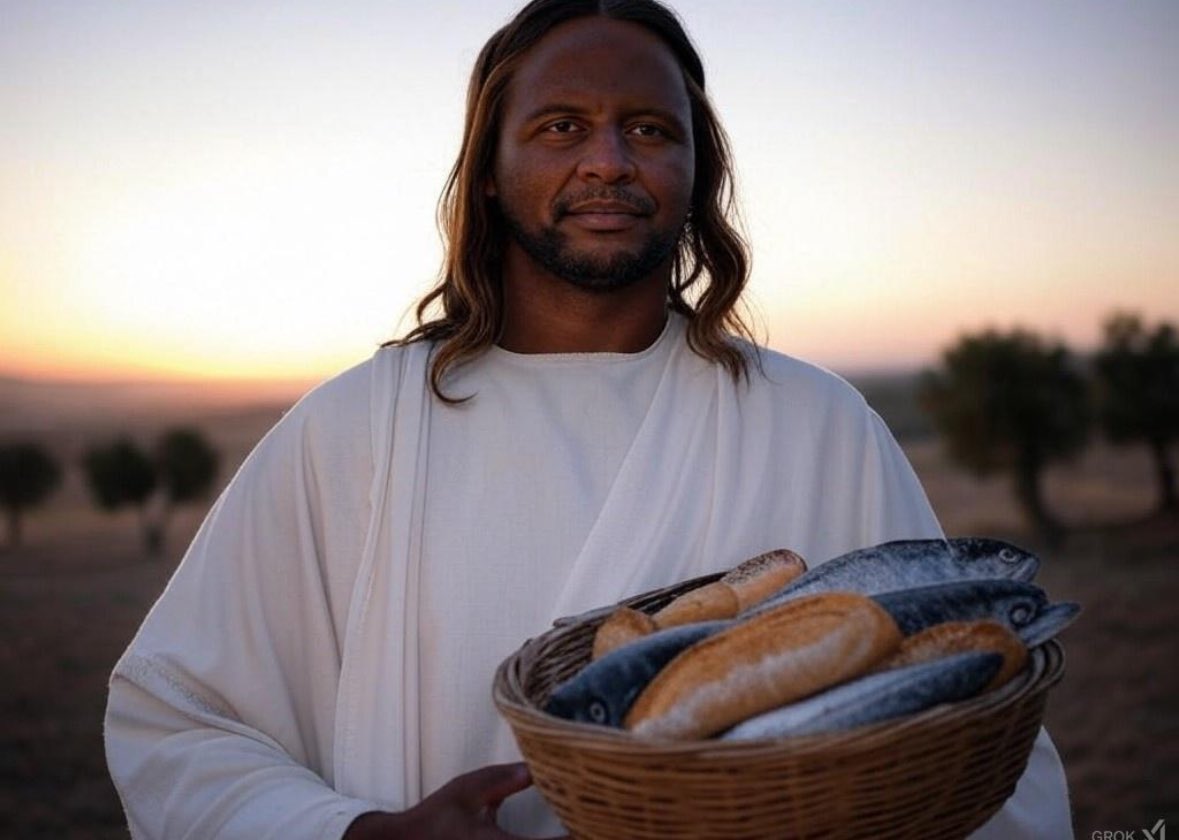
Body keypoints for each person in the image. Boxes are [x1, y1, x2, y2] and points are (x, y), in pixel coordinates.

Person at [105, 1, 1075, 837]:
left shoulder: (819, 422)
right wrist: (356, 833)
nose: (608, 161)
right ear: (489, 167)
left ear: (698, 171)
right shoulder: (354, 430)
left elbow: (982, 714)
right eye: (562, 127)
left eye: (650, 130)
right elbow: (174, 715)